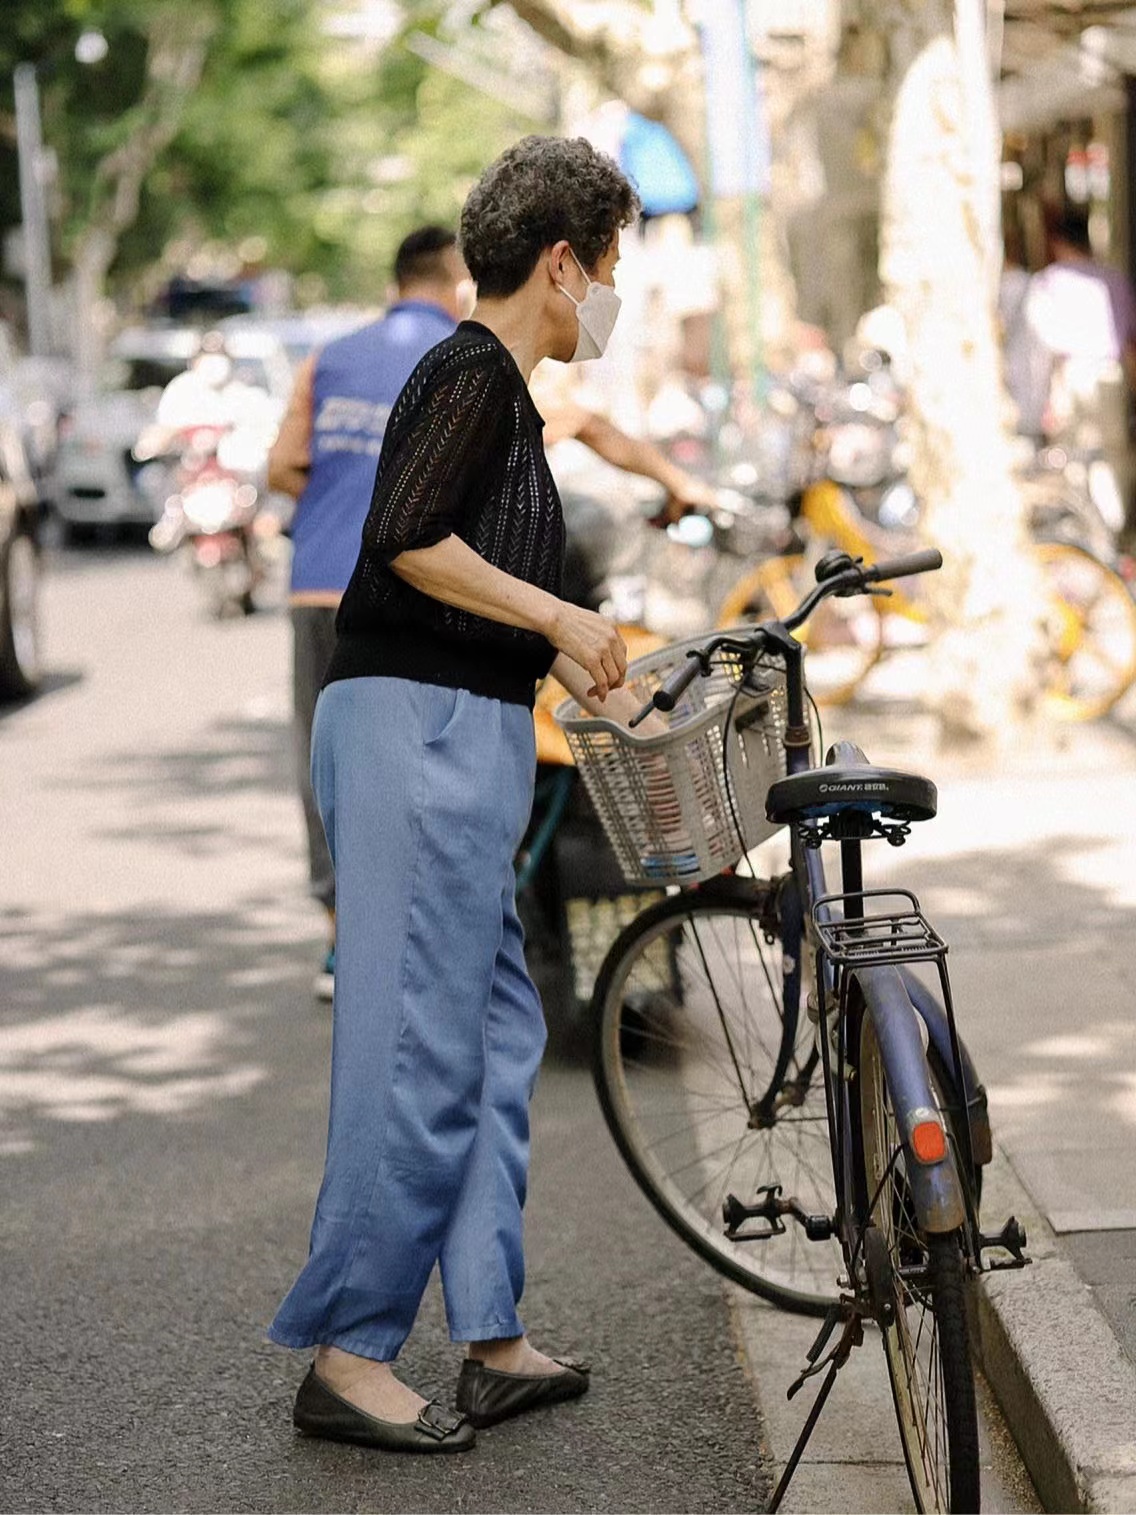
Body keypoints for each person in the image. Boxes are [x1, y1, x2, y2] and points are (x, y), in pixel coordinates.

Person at [268, 134, 649, 1454]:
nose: (615, 294)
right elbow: (407, 536)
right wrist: (555, 612)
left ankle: (489, 1330)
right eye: (613, 267)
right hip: (412, 735)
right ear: (562, 261)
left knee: (489, 1037)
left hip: (457, 733)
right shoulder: (473, 369)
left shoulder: (495, 385)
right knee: (420, 1047)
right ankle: (350, 1349)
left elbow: (462, 573)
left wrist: (566, 653)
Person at [266, 228, 468, 1000]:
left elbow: (283, 467)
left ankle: (338, 939)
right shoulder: (468, 356)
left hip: (319, 584)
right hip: (416, 591)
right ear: (453, 279)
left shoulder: (329, 356)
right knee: (417, 760)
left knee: (324, 763)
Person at [1025, 209, 1136, 536]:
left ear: (1058, 242)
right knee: (1112, 455)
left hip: (1071, 376)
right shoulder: (1113, 280)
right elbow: (1130, 343)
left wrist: (1043, 398)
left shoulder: (1050, 282)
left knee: (1073, 459)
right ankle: (1112, 531)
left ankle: (1088, 535)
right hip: (1109, 377)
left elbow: (1040, 350)